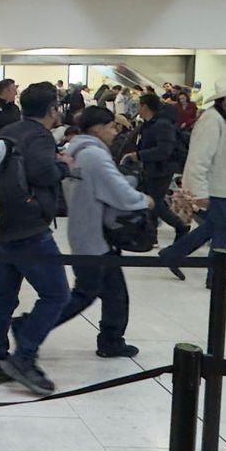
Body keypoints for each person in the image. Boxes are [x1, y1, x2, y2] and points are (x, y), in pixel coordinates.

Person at [0, 82, 72, 394]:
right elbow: (43, 173)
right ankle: (24, 355)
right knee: (56, 294)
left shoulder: (9, 131)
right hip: (29, 229)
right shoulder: (40, 136)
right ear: (52, 110)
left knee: (4, 296)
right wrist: (63, 167)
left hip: (1, 224)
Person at [58, 106, 151, 357]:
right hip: (96, 237)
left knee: (112, 293)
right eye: (111, 126)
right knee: (87, 294)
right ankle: (30, 326)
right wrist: (144, 199)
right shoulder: (95, 156)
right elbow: (120, 193)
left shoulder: (74, 151)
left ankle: (111, 340)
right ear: (98, 129)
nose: (115, 131)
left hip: (85, 231)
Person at [159, 76, 226, 297]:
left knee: (214, 226)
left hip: (222, 186)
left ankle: (173, 254)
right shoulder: (212, 121)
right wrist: (199, 193)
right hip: (214, 187)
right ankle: (216, 277)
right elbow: (198, 159)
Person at [126, 92, 189, 242]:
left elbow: (165, 150)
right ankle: (152, 234)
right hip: (153, 167)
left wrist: (139, 155)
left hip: (163, 168)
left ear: (145, 107)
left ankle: (180, 227)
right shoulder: (150, 123)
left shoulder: (162, 124)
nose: (137, 109)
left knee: (155, 202)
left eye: (139, 105)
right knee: (152, 200)